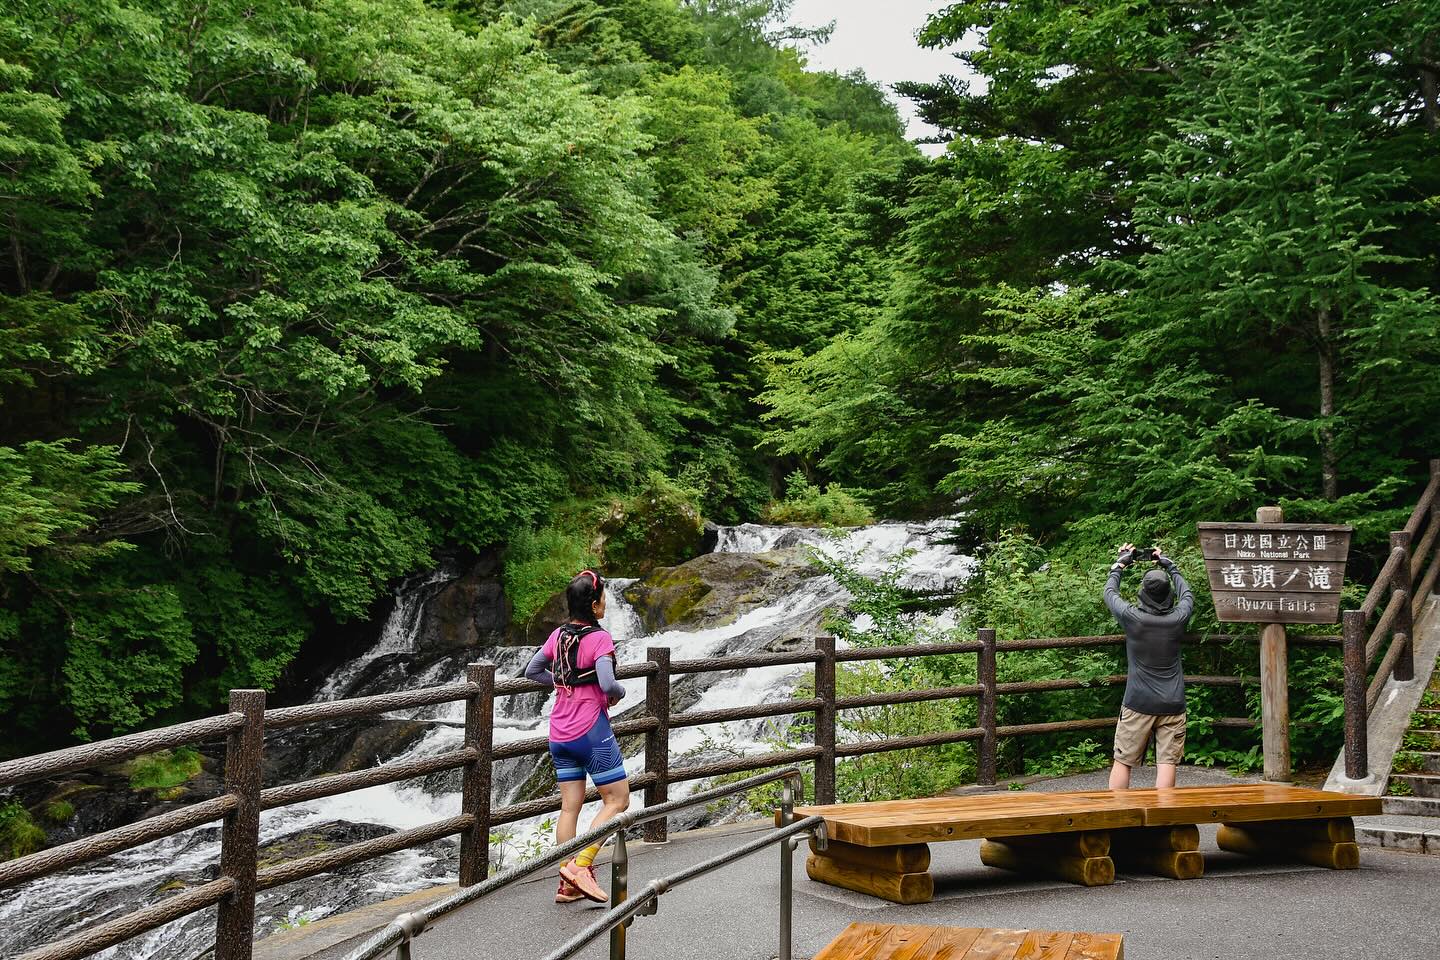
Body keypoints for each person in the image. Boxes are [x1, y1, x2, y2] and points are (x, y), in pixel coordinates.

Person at [524, 570, 629, 903]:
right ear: (595, 604)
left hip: (559, 732)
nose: (605, 606)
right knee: (618, 800)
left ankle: (567, 884)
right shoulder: (599, 639)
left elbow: (532, 671)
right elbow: (608, 682)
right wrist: (618, 692)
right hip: (591, 733)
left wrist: (562, 684)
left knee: (570, 808)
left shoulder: (558, 636)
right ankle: (582, 866)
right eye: (603, 601)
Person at [1104, 543, 1194, 790]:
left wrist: (1121, 563)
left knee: (1123, 761)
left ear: (1143, 592)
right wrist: (1169, 565)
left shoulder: (1133, 618)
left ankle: (1118, 816)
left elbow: (1110, 593)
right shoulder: (1178, 617)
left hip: (1138, 702)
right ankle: (1164, 820)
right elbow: (1187, 594)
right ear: (1168, 594)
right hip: (1173, 702)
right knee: (1167, 763)